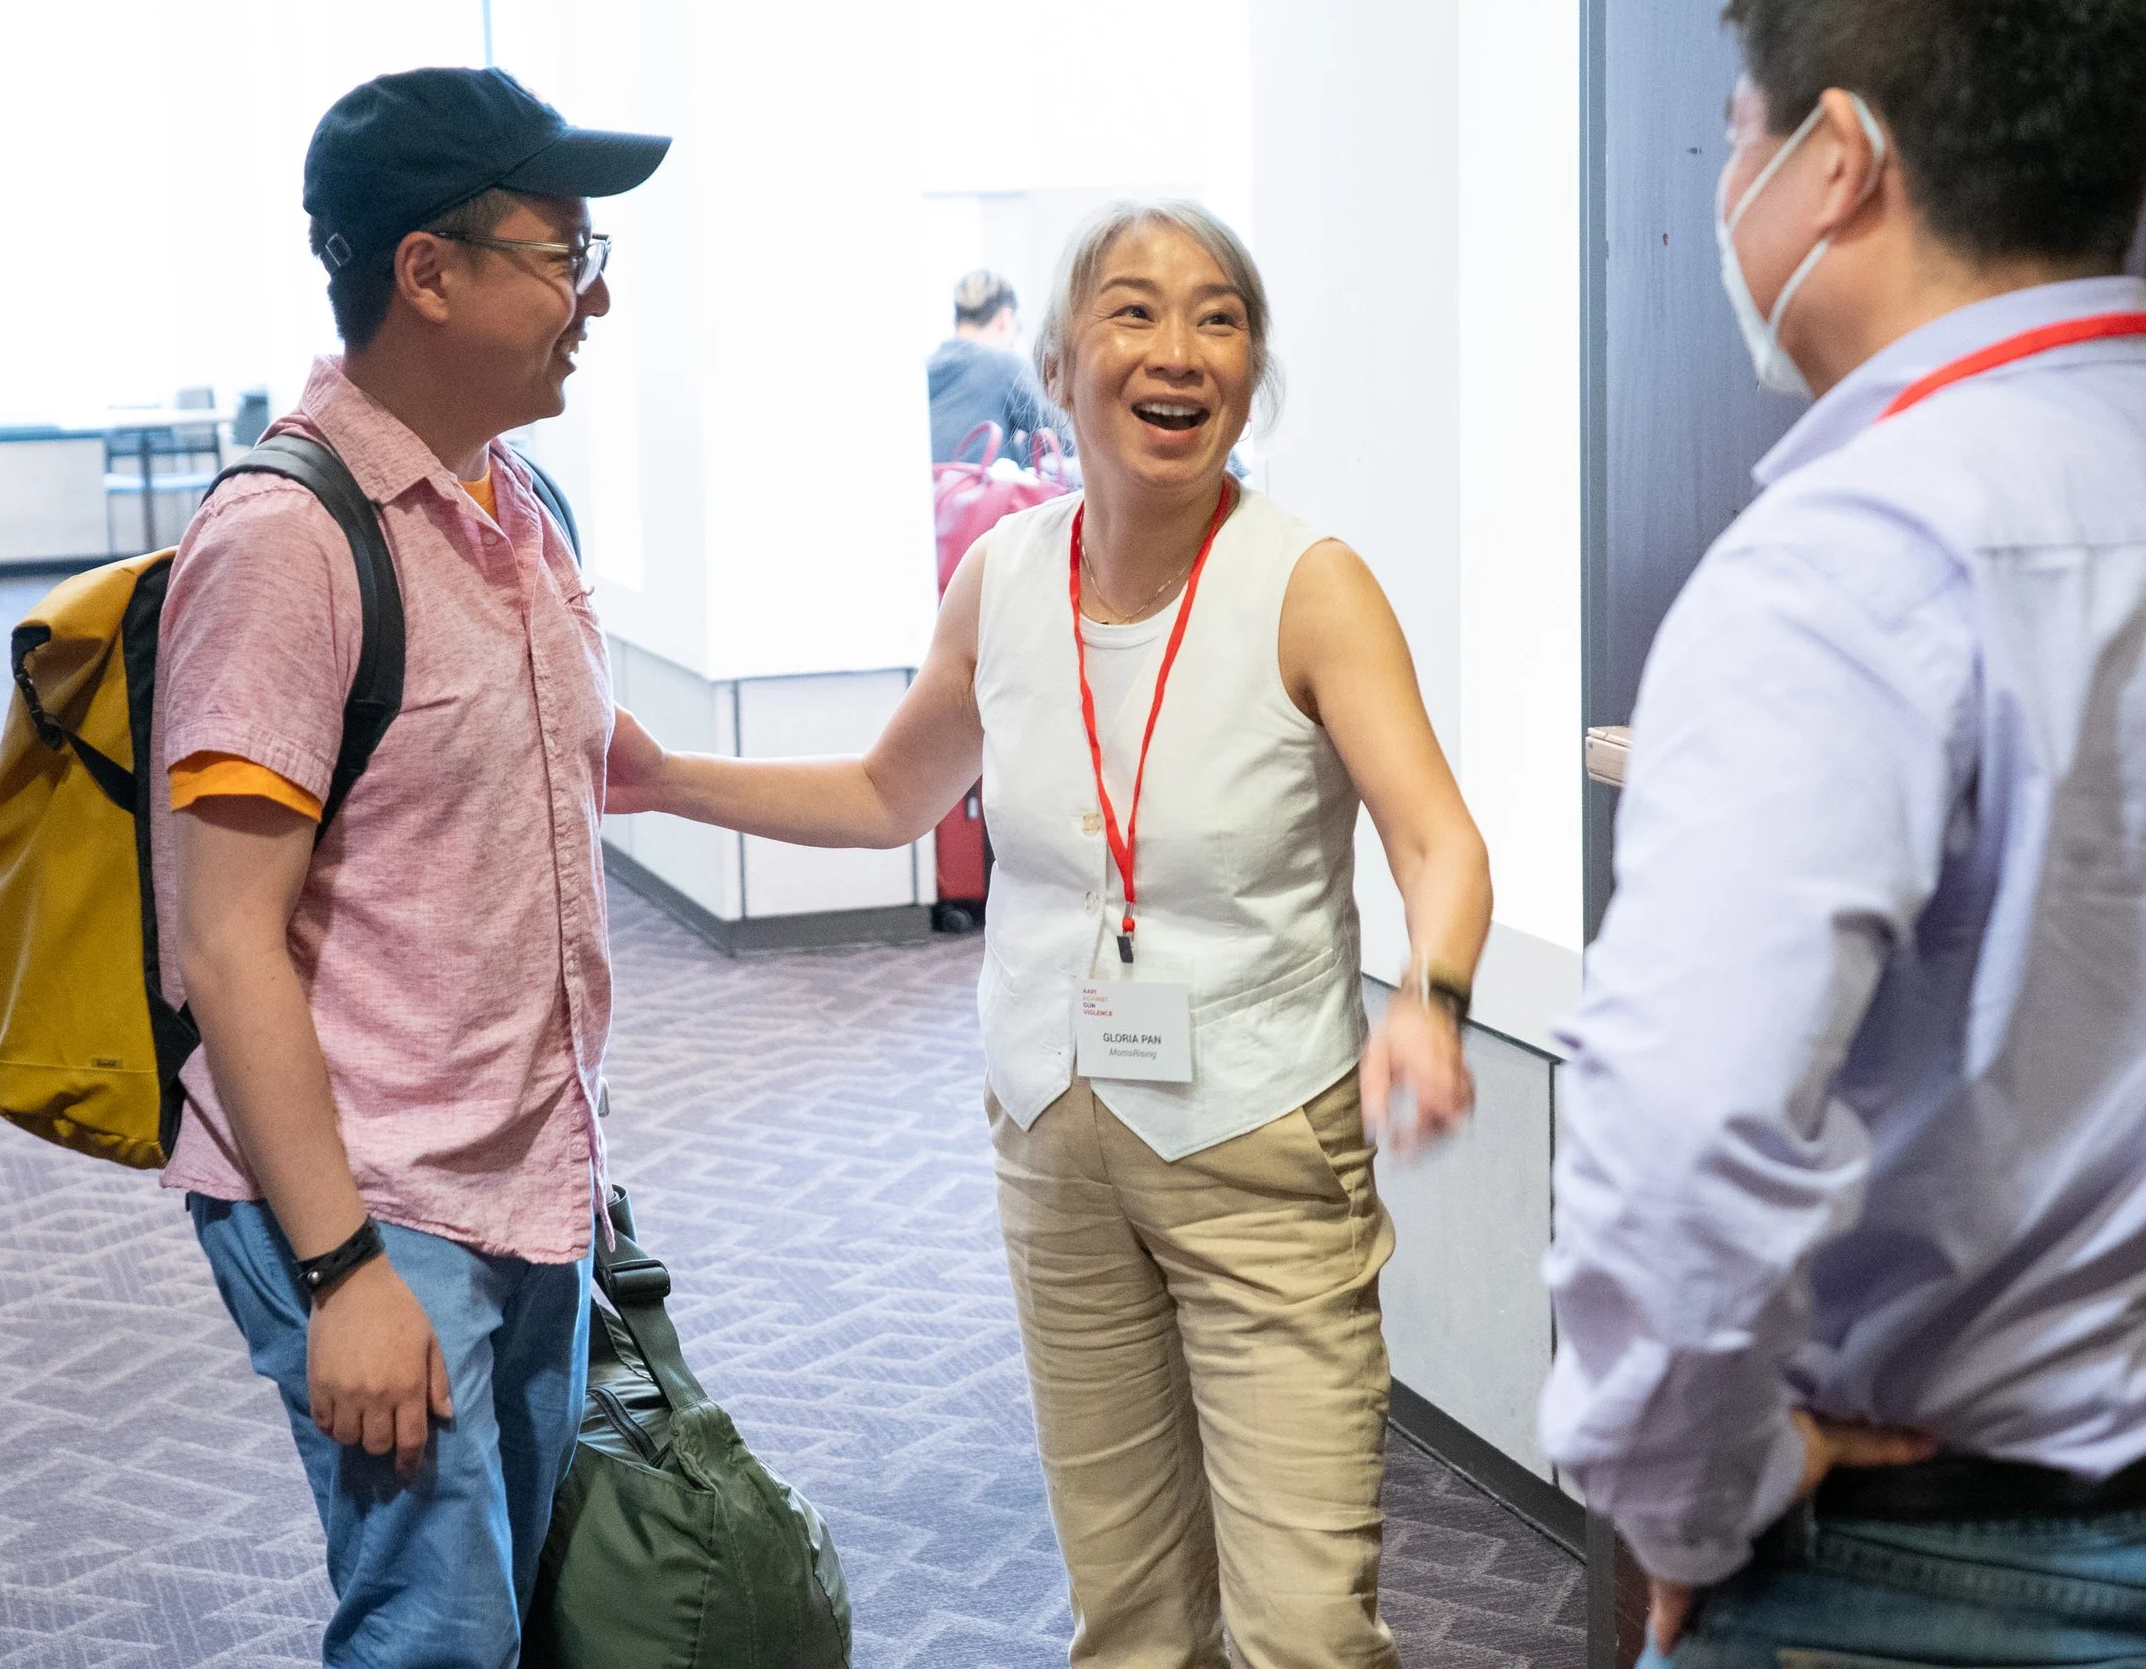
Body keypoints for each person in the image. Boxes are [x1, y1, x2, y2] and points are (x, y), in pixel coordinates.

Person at [610, 200, 1493, 1667]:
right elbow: (894, 791)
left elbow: (1439, 840)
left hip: (1263, 1144)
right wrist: (668, 780)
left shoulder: (1305, 583)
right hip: (1052, 1131)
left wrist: (1438, 1001)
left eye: (1220, 317)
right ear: (1061, 363)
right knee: (1130, 1618)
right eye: (1136, 311)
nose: (1181, 348)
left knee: (1303, 1632)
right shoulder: (1005, 580)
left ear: (1252, 370)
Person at [1539, 0, 2146, 1666]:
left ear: (1837, 161)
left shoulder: (1842, 565)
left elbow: (1685, 1144)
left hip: (1924, 1574)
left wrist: (1699, 1492)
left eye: (1735, 137)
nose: (1724, 190)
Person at [150, 67, 666, 1667]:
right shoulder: (286, 540)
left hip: (526, 1182)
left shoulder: (522, 506)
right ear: (425, 272)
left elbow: (573, 787)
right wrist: (343, 1272)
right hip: (370, 1197)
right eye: (563, 252)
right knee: (433, 1632)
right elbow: (224, 943)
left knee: (511, 1606)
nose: (596, 294)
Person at [928, 267, 1059, 465]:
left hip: (930, 494)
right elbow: (1063, 436)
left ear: (956, 321)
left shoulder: (926, 369)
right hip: (978, 493)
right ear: (1004, 320)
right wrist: (1021, 447)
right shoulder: (1003, 365)